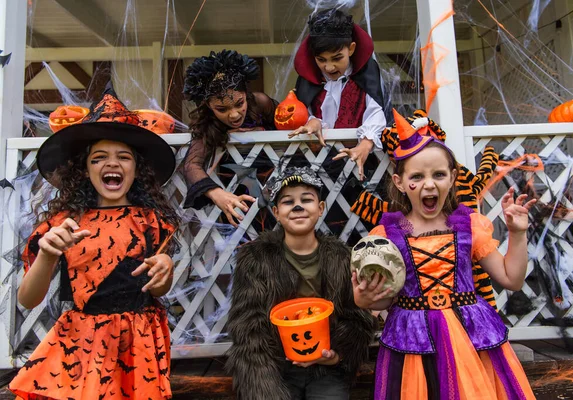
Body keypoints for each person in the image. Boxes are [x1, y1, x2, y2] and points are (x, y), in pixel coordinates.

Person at [9, 88, 180, 400]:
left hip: (137, 342)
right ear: (85, 170)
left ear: (136, 169)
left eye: (123, 157)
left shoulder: (152, 222)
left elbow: (157, 289)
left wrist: (165, 270)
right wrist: (47, 254)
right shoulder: (62, 224)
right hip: (81, 342)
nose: (111, 164)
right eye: (99, 158)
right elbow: (28, 299)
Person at [353, 110, 536, 399]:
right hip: (413, 344)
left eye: (438, 174)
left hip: (471, 339)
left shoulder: (469, 226)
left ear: (452, 178)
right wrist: (365, 299)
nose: (429, 184)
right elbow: (383, 299)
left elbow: (511, 279)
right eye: (417, 176)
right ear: (399, 182)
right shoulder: (386, 236)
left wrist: (517, 233)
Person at [226, 166, 377, 400]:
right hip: (277, 365)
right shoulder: (255, 259)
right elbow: (247, 324)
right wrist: (265, 378)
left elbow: (357, 318)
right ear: (276, 212)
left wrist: (337, 354)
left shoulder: (343, 258)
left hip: (327, 364)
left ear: (320, 209)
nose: (297, 207)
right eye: (288, 202)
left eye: (306, 200)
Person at [291, 8, 389, 180]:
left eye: (337, 58)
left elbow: (376, 112)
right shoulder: (308, 80)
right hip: (318, 166)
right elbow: (303, 114)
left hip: (362, 165)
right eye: (321, 60)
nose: (329, 68)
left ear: (351, 49)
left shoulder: (367, 74)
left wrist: (366, 143)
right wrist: (312, 121)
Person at [182, 49, 278, 226]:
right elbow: (191, 165)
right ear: (209, 107)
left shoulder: (260, 103)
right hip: (233, 189)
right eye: (222, 109)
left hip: (274, 179)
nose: (234, 115)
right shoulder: (207, 123)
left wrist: (261, 131)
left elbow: (289, 123)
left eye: (239, 103)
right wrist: (217, 193)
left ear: (246, 94)